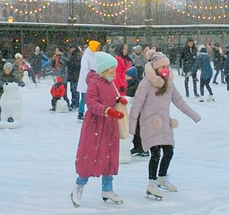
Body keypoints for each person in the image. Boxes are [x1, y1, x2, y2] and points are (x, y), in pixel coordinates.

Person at [129, 52, 201, 199]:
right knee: (155, 153)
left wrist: (194, 116)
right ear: (155, 68)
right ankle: (152, 183)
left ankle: (161, 177)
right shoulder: (146, 84)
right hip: (149, 123)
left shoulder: (169, 84)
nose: (166, 69)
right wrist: (130, 129)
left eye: (167, 66)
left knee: (169, 151)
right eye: (162, 66)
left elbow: (179, 101)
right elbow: (136, 105)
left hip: (165, 123)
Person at [71, 51, 126, 207]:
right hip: (95, 124)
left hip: (109, 125)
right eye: (111, 68)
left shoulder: (109, 82)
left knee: (109, 156)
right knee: (90, 155)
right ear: (103, 68)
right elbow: (91, 103)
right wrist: (108, 111)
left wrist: (118, 100)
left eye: (114, 68)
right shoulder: (95, 82)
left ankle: (107, 189)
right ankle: (78, 187)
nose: (113, 71)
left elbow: (109, 97)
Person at [125, 66, 149, 157]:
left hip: (139, 111)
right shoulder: (131, 84)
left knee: (138, 130)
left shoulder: (136, 85)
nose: (125, 77)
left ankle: (143, 149)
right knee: (133, 129)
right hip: (133, 110)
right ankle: (137, 146)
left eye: (127, 75)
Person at [76, 40, 101, 121]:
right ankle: (81, 112)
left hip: (92, 79)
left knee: (90, 97)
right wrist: (90, 76)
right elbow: (84, 69)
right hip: (86, 80)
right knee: (84, 97)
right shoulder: (86, 56)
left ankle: (89, 112)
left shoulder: (94, 55)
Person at [66, 46, 81, 111]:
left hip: (75, 76)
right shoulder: (74, 56)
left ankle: (76, 103)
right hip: (74, 75)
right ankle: (74, 102)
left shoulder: (76, 56)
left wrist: (69, 63)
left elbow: (76, 65)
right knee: (73, 90)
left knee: (74, 90)